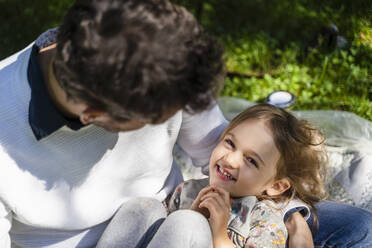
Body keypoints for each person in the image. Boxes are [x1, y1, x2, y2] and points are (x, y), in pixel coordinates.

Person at [0, 0, 371, 247]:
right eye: (162, 117)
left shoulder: (134, 39)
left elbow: (224, 149)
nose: (184, 115)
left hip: (177, 212)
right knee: (184, 228)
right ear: (95, 117)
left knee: (359, 228)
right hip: (154, 234)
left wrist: (289, 210)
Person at [98, 104, 326, 247]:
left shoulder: (264, 221)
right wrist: (193, 213)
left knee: (187, 222)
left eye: (251, 160)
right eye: (229, 143)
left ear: (276, 187)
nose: (230, 159)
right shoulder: (186, 191)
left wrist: (219, 235)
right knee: (142, 208)